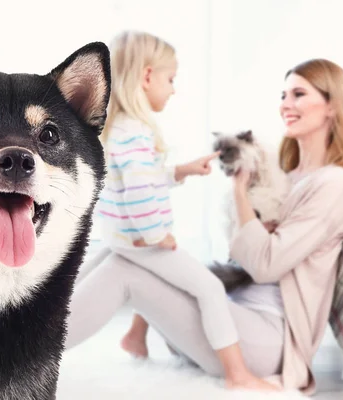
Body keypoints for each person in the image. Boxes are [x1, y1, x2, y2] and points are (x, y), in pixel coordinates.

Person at [65, 57, 343, 396]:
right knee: (120, 247)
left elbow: (266, 266)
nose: (286, 104)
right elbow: (241, 255)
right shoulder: (285, 176)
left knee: (125, 268)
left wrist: (240, 192)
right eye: (283, 95)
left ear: (333, 107)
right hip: (233, 315)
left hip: (268, 338)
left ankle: (29, 353)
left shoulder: (335, 184)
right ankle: (34, 325)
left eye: (298, 94)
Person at [84, 30, 279, 392]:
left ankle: (135, 337)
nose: (173, 89)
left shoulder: (119, 130)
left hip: (124, 238)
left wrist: (182, 170)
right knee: (208, 288)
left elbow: (139, 180)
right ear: (146, 77)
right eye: (170, 79)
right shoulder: (137, 132)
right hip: (143, 240)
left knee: (161, 280)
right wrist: (158, 236)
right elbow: (140, 194)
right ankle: (238, 374)